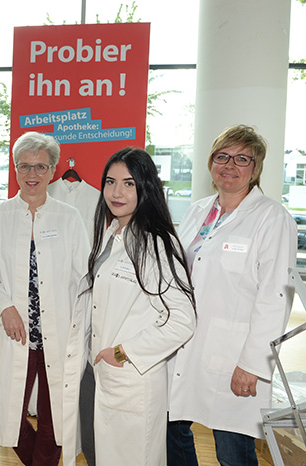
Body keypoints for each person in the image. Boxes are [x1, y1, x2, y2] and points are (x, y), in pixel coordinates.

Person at [167, 124, 297, 466]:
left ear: (255, 168)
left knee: (232, 452)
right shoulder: (197, 211)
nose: (230, 165)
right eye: (222, 156)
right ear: (211, 162)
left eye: (242, 159)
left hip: (234, 355)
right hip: (184, 344)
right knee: (172, 433)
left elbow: (276, 297)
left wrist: (253, 365)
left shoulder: (272, 218)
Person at [61, 147, 196, 466]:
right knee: (97, 455)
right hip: (97, 372)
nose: (116, 192)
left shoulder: (156, 244)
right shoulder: (111, 233)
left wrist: (123, 353)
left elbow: (182, 320)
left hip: (129, 377)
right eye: (110, 182)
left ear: (145, 189)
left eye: (128, 183)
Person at [0, 131, 89, 466]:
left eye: (40, 167)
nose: (32, 174)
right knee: (9, 413)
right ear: (15, 169)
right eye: (24, 166)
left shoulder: (69, 217)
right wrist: (5, 306)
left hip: (58, 333)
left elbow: (85, 275)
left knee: (56, 415)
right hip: (16, 331)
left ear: (53, 171)